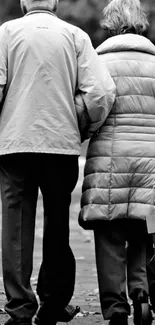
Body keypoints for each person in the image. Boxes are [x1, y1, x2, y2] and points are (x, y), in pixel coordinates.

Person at [0, 0, 116, 324]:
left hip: (14, 145)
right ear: (56, 4)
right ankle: (51, 303)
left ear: (24, 3)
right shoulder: (75, 36)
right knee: (56, 224)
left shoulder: (6, 33)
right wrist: (81, 124)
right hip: (60, 144)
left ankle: (20, 307)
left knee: (15, 228)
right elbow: (102, 92)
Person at [79, 0, 155, 324]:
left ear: (110, 23)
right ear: (140, 22)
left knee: (109, 232)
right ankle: (141, 295)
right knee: (142, 227)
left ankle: (115, 308)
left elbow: (89, 107)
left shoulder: (97, 60)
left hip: (109, 160)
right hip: (150, 160)